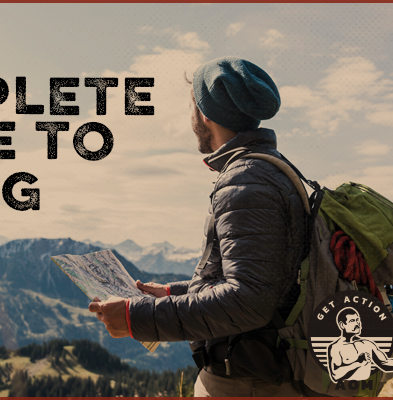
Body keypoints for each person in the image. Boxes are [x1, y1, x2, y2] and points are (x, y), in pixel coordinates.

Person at [88, 57, 308, 396]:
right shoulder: (269, 171)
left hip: (248, 383)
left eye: (193, 107)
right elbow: (266, 279)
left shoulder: (247, 181)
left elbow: (248, 300)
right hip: (262, 372)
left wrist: (138, 317)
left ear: (205, 114)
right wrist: (177, 292)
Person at [327, 307, 393, 382]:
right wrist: (358, 362)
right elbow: (335, 375)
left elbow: (385, 364)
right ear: (342, 325)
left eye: (358, 320)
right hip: (341, 391)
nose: (357, 323)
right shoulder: (335, 347)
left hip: (365, 391)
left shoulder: (367, 344)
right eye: (352, 321)